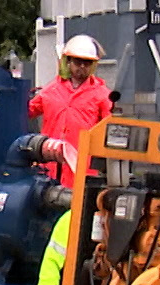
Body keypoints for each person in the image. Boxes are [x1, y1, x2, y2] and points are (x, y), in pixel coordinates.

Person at [28, 35, 112, 188]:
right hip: (49, 168)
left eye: (87, 63)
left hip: (82, 170)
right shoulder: (51, 89)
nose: (81, 66)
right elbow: (27, 111)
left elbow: (110, 129)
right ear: (68, 62)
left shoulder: (102, 94)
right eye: (77, 62)